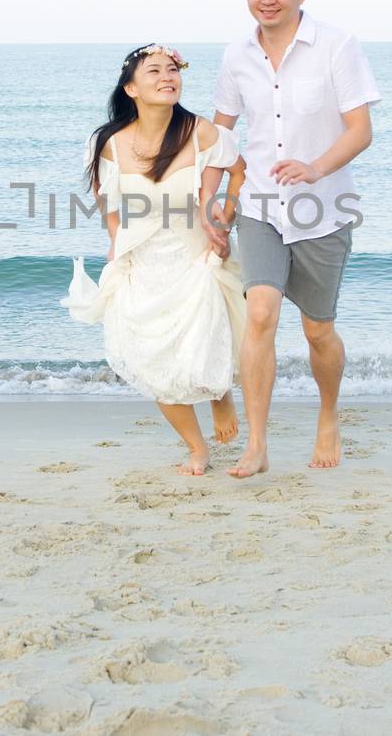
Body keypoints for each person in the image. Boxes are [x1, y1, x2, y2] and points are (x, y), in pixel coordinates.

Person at [211, 0, 381, 478]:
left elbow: (361, 131)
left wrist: (315, 167)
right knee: (260, 313)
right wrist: (209, 204)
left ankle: (328, 414)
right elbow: (220, 135)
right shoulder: (236, 55)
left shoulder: (337, 46)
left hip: (322, 209)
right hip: (259, 203)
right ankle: (256, 444)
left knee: (317, 332)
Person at [62, 43, 249, 475]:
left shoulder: (201, 132)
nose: (168, 77)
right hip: (141, 263)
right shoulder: (107, 142)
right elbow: (106, 200)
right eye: (154, 71)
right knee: (151, 360)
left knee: (204, 346)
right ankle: (196, 448)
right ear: (131, 88)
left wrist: (226, 213)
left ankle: (222, 397)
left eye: (173, 70)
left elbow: (238, 170)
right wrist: (114, 240)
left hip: (194, 256)